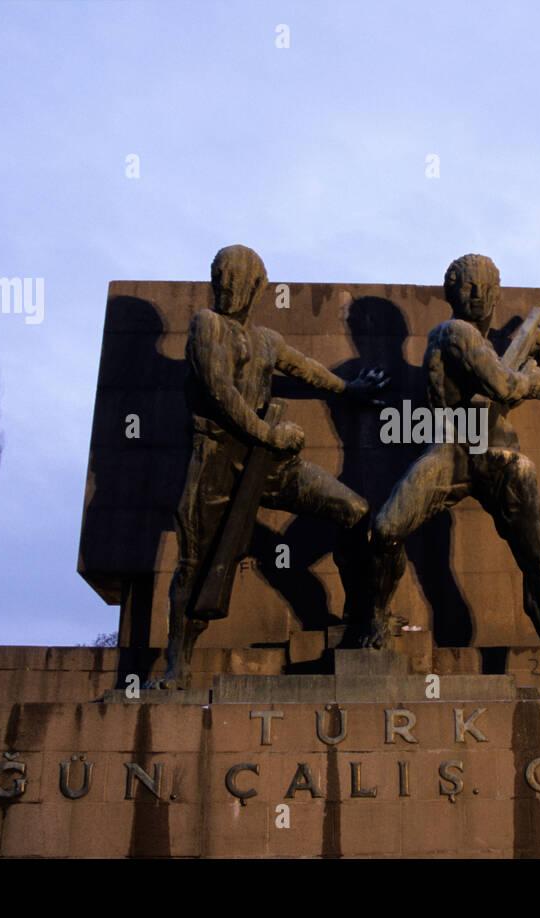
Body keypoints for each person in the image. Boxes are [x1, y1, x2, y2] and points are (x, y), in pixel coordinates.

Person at [151, 245, 385, 688]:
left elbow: (308, 370)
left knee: (354, 511)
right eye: (220, 276)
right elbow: (220, 391)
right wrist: (270, 434)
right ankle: (177, 665)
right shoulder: (207, 325)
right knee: (196, 564)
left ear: (257, 287)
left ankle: (360, 619)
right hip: (217, 461)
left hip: (269, 463)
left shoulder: (266, 341)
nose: (227, 285)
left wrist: (348, 389)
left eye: (238, 278)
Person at [362, 253, 540, 685]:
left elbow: (497, 394)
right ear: (452, 293)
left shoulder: (485, 347)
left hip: (498, 454)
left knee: (538, 559)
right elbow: (502, 385)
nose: (479, 293)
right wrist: (533, 381)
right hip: (451, 451)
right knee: (387, 529)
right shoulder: (453, 332)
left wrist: (535, 352)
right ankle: (373, 621)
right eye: (468, 285)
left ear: (497, 292)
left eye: (486, 285)